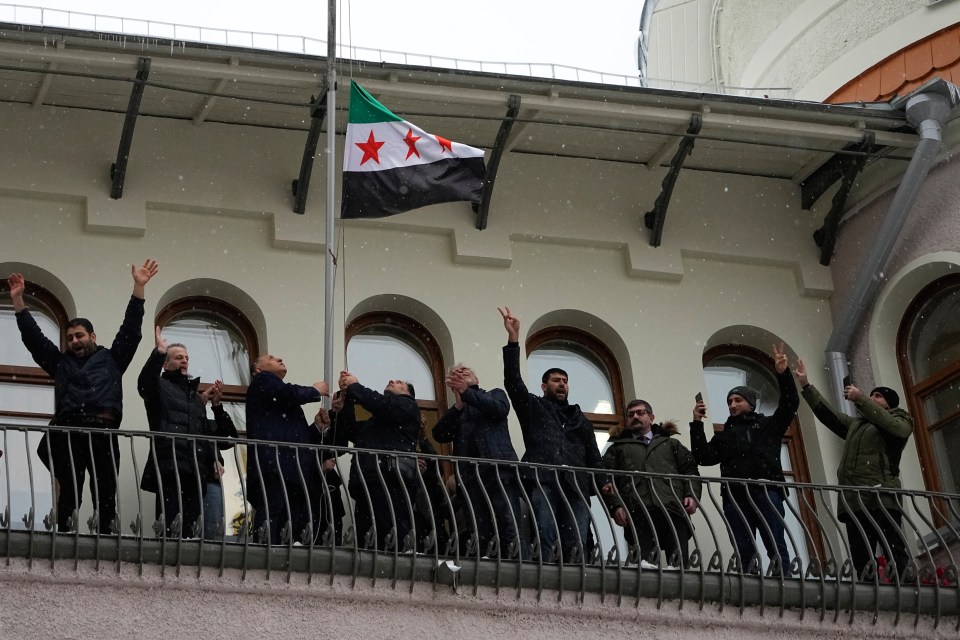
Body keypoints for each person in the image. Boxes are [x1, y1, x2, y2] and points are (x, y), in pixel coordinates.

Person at [7, 260, 158, 533]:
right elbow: (34, 339)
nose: (74, 341)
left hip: (103, 431)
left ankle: (105, 536)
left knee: (105, 490)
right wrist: (19, 303)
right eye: (70, 338)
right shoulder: (60, 362)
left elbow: (131, 330)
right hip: (69, 433)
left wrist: (138, 288)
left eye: (79, 336)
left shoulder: (113, 359)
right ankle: (64, 534)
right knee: (69, 490)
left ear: (92, 336)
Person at [498, 306, 604, 563]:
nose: (561, 384)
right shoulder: (534, 408)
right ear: (544, 386)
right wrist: (514, 340)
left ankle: (576, 582)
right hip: (543, 480)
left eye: (565, 380)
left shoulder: (581, 420)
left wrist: (608, 492)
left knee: (577, 539)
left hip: (577, 485)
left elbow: (595, 457)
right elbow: (513, 382)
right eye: (556, 380)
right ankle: (545, 577)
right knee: (545, 533)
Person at [794, 361, 914, 581]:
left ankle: (907, 589)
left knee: (894, 550)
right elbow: (828, 415)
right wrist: (806, 386)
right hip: (854, 500)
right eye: (872, 395)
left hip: (881, 496)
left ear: (889, 404)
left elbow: (897, 428)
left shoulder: (900, 420)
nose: (872, 398)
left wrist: (861, 398)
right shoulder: (857, 426)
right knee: (862, 558)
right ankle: (870, 595)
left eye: (877, 396)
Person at [690, 343, 798, 576]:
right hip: (735, 494)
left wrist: (783, 374)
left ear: (750, 403)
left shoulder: (768, 425)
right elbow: (703, 457)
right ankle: (749, 580)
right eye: (730, 402)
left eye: (737, 400)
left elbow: (790, 404)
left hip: (766, 489)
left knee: (775, 541)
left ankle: (785, 579)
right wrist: (697, 424)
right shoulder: (726, 434)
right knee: (743, 546)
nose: (732, 405)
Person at [138, 327, 237, 538]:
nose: (184, 361)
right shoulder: (160, 386)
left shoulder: (195, 398)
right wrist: (158, 353)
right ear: (166, 364)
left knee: (193, 533)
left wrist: (217, 407)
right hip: (170, 467)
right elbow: (144, 384)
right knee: (170, 529)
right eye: (178, 357)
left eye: (186, 358)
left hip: (195, 472)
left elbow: (223, 438)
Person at [433, 363, 524, 559]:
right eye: (457, 373)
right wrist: (458, 405)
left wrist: (468, 394)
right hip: (470, 479)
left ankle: (515, 568)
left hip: (499, 472)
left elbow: (499, 409)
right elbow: (440, 434)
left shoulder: (494, 394)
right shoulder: (458, 410)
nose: (462, 373)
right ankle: (487, 569)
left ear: (477, 379)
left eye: (466, 371)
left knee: (508, 524)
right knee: (479, 528)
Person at [601, 399, 701, 569]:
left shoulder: (670, 444)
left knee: (679, 569)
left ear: (651, 417)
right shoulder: (617, 448)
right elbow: (606, 479)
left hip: (673, 508)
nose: (635, 417)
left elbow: (690, 471)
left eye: (640, 413)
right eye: (631, 414)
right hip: (637, 510)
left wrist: (691, 495)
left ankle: (678, 595)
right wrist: (616, 506)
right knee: (645, 568)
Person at [245, 354, 329, 545]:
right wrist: (314, 390)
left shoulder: (277, 394)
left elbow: (296, 436)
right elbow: (288, 394)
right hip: (274, 463)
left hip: (288, 466)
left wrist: (316, 427)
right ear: (259, 369)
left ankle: (277, 552)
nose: (280, 358)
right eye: (272, 358)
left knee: (287, 516)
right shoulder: (263, 382)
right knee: (274, 511)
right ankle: (265, 551)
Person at [333, 372, 421, 551]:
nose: (392, 380)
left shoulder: (408, 406)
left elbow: (381, 405)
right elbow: (351, 432)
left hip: (391, 481)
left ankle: (394, 570)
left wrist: (354, 386)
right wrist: (345, 406)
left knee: (391, 533)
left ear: (408, 394)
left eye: (399, 382)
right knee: (367, 537)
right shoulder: (376, 422)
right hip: (370, 482)